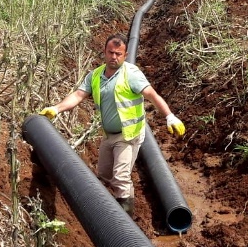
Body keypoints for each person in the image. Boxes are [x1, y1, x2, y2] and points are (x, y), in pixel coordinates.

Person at [39, 33, 185, 216]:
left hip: (128, 135)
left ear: (125, 55)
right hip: (108, 135)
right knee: (104, 175)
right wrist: (56, 108)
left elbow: (152, 96)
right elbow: (78, 95)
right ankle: (113, 209)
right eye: (110, 53)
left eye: (118, 54)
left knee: (121, 178)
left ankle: (127, 223)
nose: (113, 57)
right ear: (104, 52)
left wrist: (169, 116)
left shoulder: (131, 74)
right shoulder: (95, 76)